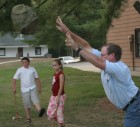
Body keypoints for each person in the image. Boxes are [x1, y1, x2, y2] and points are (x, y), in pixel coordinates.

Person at [56, 16, 140, 127]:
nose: (100, 56)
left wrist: (77, 49)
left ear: (112, 56)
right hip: (133, 106)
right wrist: (68, 31)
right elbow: (86, 46)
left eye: (103, 55)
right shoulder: (106, 60)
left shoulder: (119, 68)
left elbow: (98, 62)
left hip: (135, 106)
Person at [12, 57, 45, 123]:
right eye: (23, 62)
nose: (25, 64)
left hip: (32, 87)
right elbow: (14, 79)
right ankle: (28, 117)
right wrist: (14, 88)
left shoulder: (33, 69)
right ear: (22, 63)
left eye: (26, 62)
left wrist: (39, 87)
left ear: (29, 62)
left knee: (35, 99)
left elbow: (37, 78)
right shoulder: (19, 70)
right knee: (27, 104)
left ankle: (40, 110)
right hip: (24, 90)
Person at [47, 59, 66, 127]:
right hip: (54, 95)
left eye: (55, 65)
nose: (54, 67)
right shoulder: (55, 73)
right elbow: (54, 83)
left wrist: (58, 97)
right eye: (53, 65)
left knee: (59, 112)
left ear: (60, 65)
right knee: (50, 111)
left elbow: (61, 87)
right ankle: (62, 124)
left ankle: (60, 124)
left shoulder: (61, 74)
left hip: (60, 96)